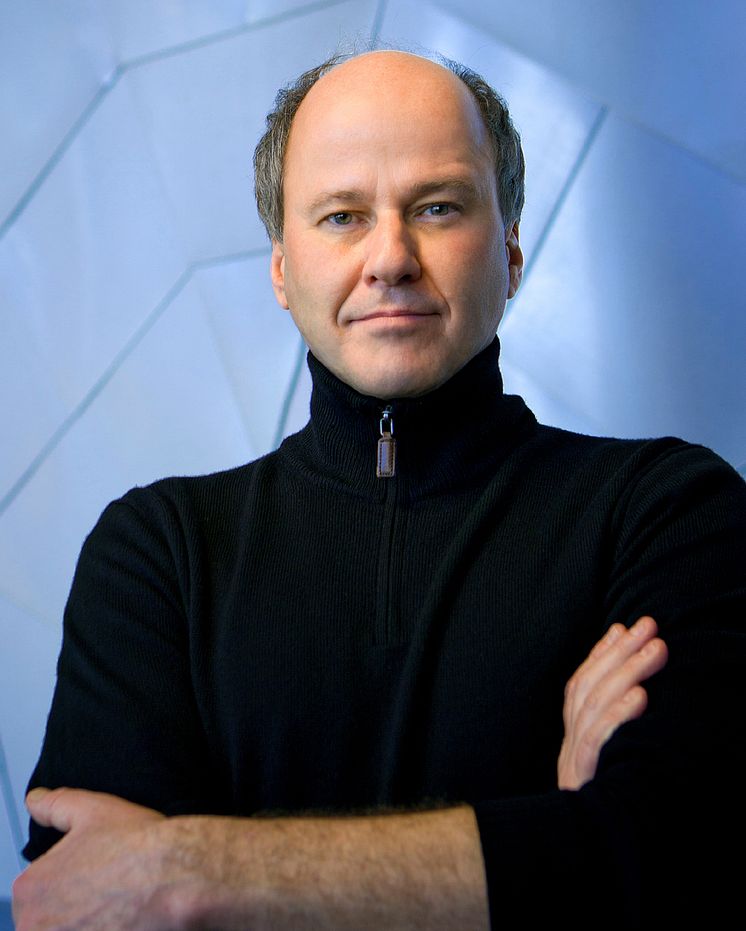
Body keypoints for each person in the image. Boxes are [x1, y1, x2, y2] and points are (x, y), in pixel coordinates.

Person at [12, 49, 745, 930]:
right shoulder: (160, 550)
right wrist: (559, 843)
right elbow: (86, 904)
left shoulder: (665, 510)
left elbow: (690, 859)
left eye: (438, 207)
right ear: (283, 269)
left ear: (510, 250)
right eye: (341, 215)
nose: (390, 257)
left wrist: (191, 865)